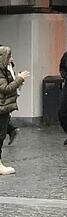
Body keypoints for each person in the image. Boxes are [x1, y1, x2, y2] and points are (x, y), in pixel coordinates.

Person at [0, 45, 29, 175]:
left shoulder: (5, 69)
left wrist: (18, 81)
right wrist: (20, 78)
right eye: (9, 56)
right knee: (0, 136)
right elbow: (6, 89)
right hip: (2, 108)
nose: (11, 58)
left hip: (5, 107)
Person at [5, 54, 18, 146]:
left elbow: (12, 83)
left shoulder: (8, 68)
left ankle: (11, 130)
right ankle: (11, 130)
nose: (12, 59)